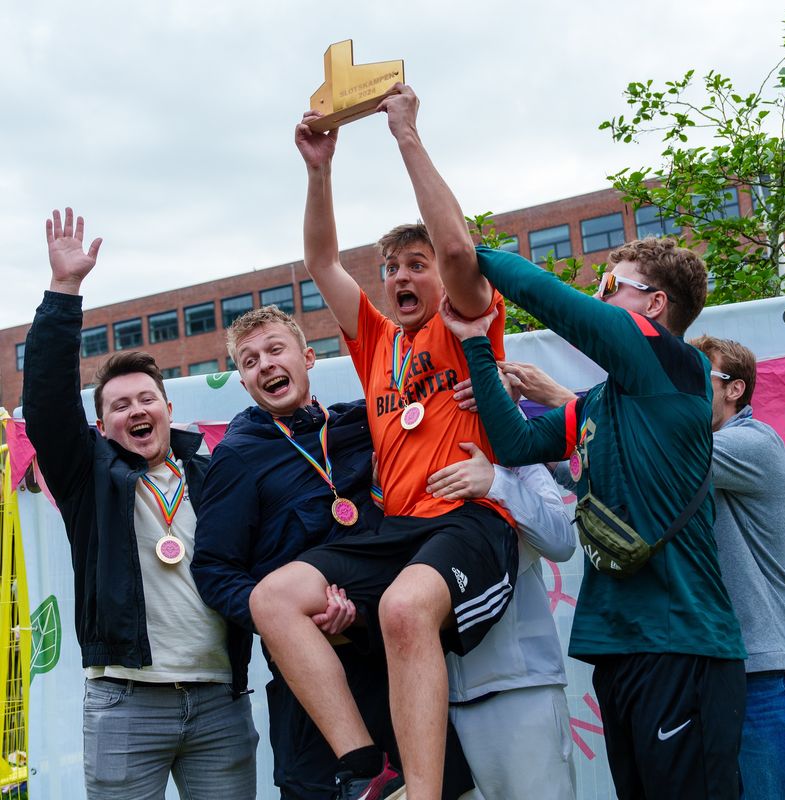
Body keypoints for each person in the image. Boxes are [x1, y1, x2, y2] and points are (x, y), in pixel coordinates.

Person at [248, 85, 517, 800]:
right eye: (392, 266)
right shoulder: (376, 341)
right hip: (395, 531)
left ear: (443, 279)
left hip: (470, 524)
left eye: (415, 264)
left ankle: (424, 794)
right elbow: (322, 261)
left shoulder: (466, 322)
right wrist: (318, 169)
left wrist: (405, 134)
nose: (400, 275)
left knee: (402, 608)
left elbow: (458, 246)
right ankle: (365, 761)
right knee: (274, 598)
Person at [439, 236, 747, 800]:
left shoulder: (678, 367)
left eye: (609, 285)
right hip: (617, 646)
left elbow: (556, 302)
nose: (598, 296)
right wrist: (476, 343)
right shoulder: (600, 401)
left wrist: (464, 249)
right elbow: (514, 443)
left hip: (681, 644)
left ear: (654, 304)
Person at [22, 208, 258, 799]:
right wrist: (64, 290)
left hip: (219, 701)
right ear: (102, 426)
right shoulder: (88, 479)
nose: (136, 411)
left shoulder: (215, 474)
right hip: (125, 703)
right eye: (120, 405)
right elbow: (47, 401)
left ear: (169, 411)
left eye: (146, 399)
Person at [191, 305, 398, 799]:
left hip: (395, 664)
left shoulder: (363, 424)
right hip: (309, 695)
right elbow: (215, 570)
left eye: (275, 350)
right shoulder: (237, 456)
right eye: (249, 361)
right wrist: (292, 621)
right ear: (244, 382)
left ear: (307, 358)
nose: (264, 364)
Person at [428, 428, 577, 799]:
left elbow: (561, 539)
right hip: (438, 704)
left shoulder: (507, 440)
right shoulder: (402, 451)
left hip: (521, 690)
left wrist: (496, 480)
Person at [690, 335, 785, 799]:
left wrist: (566, 404)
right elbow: (602, 470)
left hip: (762, 668)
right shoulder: (701, 450)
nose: (685, 389)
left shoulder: (753, 442)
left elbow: (657, 449)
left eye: (699, 377)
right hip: (714, 666)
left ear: (735, 389)